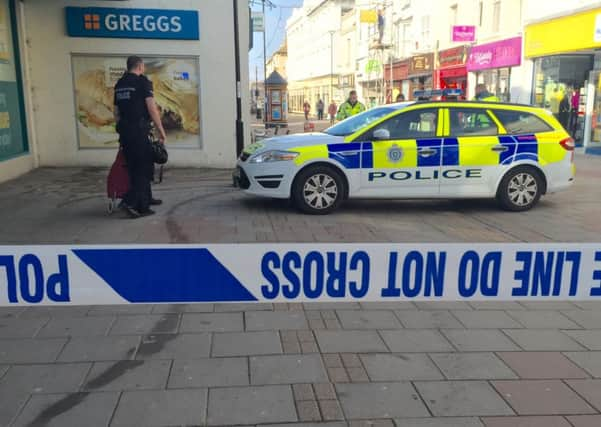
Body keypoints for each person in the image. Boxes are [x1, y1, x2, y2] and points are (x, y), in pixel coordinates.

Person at [114, 56, 166, 218]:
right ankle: (132, 203)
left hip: (125, 133)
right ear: (140, 66)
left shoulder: (119, 84)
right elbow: (152, 108)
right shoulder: (142, 82)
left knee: (136, 167)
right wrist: (161, 130)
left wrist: (123, 129)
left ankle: (147, 199)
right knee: (142, 169)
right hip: (139, 131)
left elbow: (116, 113)